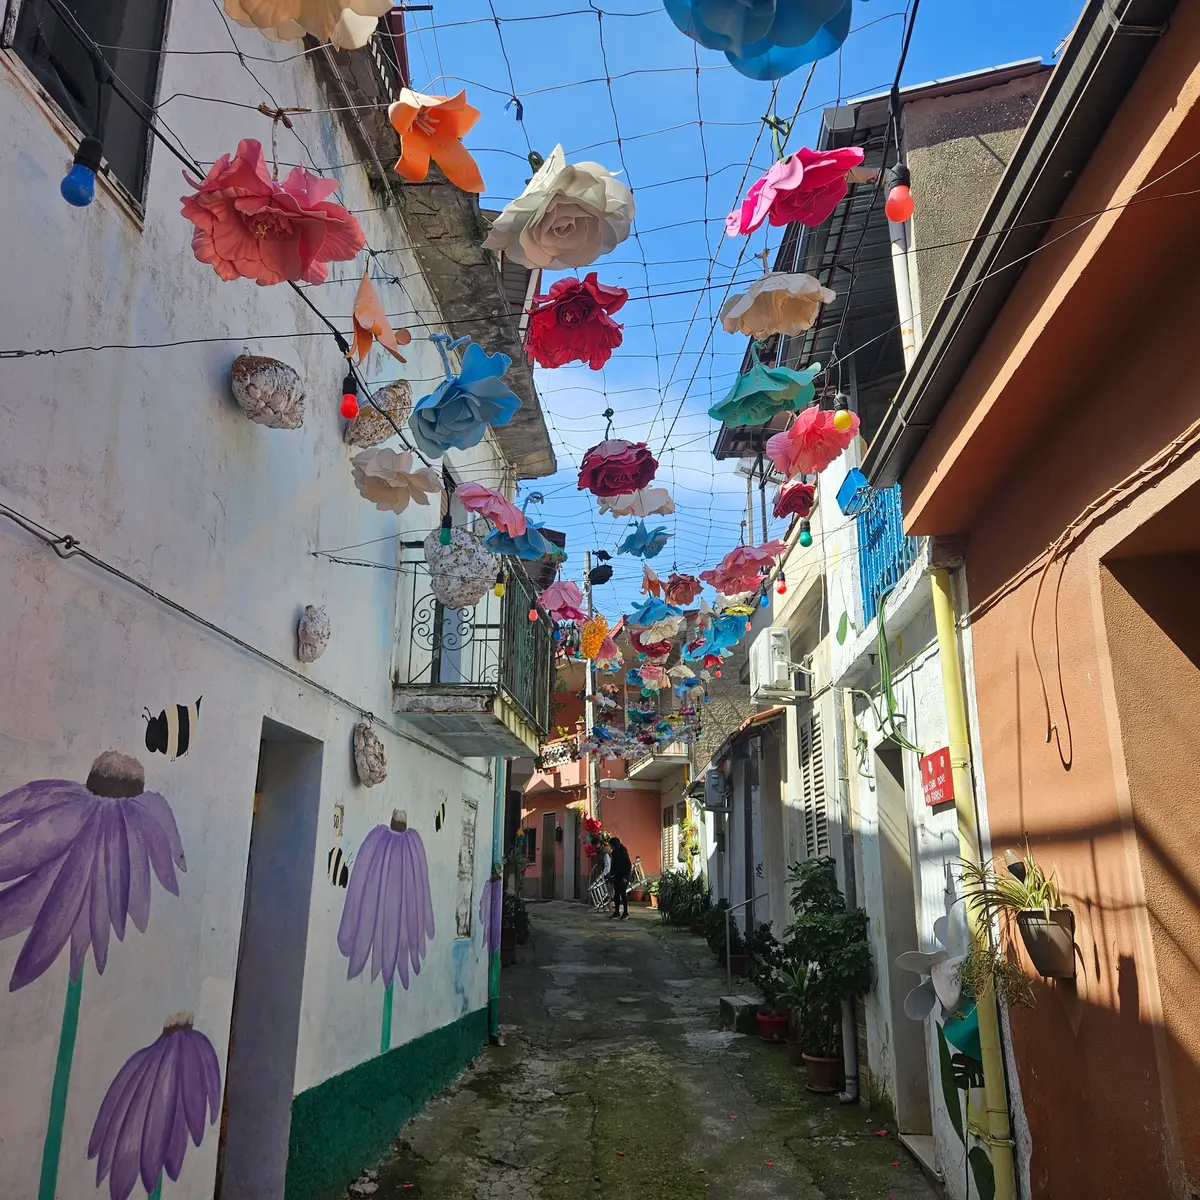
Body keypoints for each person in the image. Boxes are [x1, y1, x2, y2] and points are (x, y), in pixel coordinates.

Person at [608, 836, 632, 920]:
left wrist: (626, 877)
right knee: (616, 894)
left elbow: (628, 865)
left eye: (611, 845)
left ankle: (625, 912)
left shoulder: (623, 851)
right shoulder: (614, 852)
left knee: (623, 893)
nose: (610, 847)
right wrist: (611, 874)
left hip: (624, 876)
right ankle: (617, 912)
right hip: (617, 876)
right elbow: (614, 865)